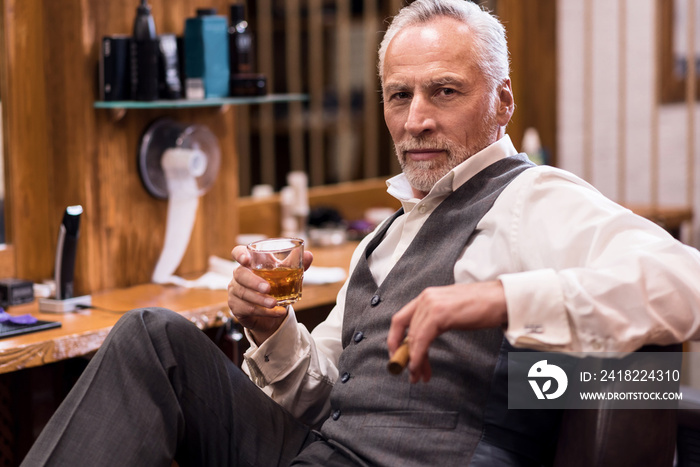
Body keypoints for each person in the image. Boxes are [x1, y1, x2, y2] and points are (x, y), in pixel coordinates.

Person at [22, 0, 700, 465]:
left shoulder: (534, 198)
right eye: (399, 96)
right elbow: (327, 392)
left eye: (444, 91)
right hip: (315, 453)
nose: (416, 120)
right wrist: (271, 327)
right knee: (154, 337)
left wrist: (496, 299)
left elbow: (685, 284)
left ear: (503, 101)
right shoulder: (388, 235)